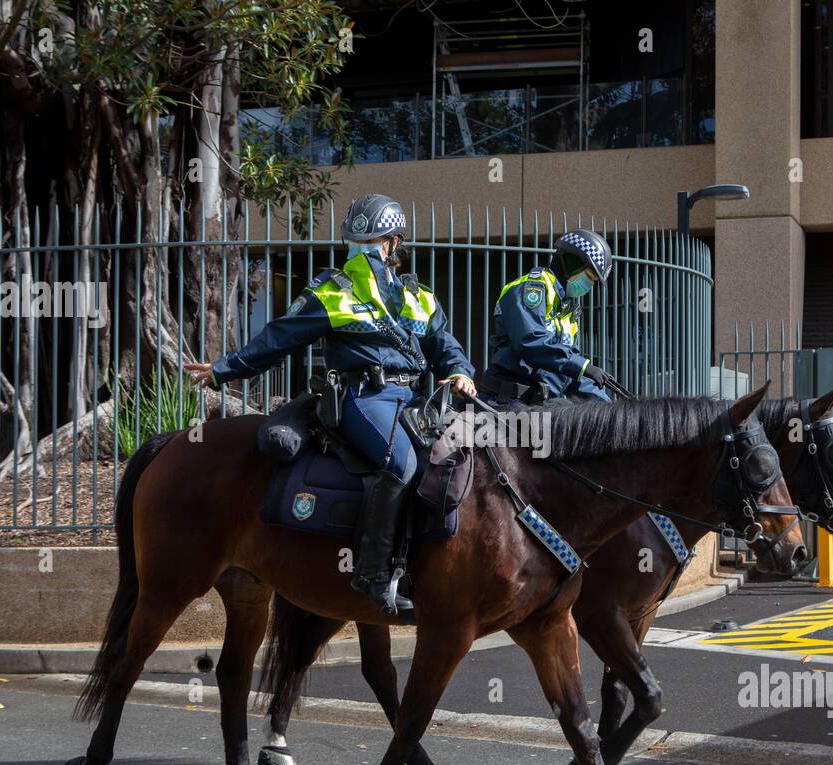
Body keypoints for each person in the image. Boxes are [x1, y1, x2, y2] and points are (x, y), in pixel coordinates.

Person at [187, 194, 476, 616]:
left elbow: (443, 345)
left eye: (373, 242)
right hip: (363, 398)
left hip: (414, 398)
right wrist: (223, 370)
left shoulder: (418, 296)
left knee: (458, 460)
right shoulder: (331, 290)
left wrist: (461, 371)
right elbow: (278, 339)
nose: (367, 251)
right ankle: (375, 575)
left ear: (393, 245)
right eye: (360, 243)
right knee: (400, 464)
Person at [479, 228, 616, 405]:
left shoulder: (567, 311)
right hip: (506, 402)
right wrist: (582, 366)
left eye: (593, 282)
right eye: (589, 276)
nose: (588, 285)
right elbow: (530, 342)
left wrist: (608, 406)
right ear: (571, 262)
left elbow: (567, 370)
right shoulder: (531, 289)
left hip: (537, 405)